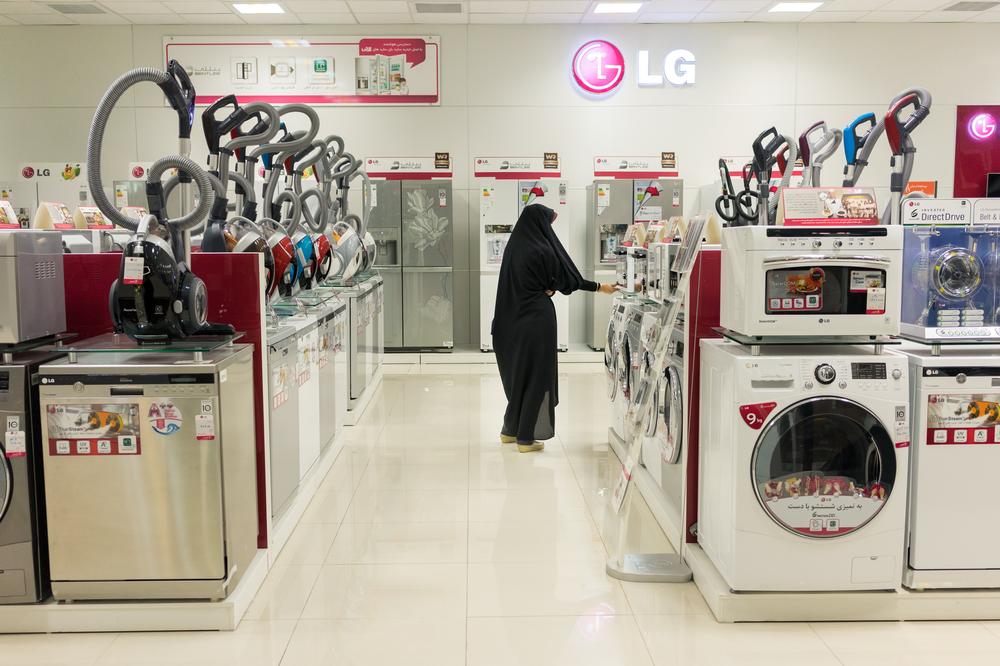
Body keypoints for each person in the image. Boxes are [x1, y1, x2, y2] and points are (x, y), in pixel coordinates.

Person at [491, 203, 616, 453]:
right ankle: (525, 438)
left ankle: (510, 429)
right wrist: (599, 287)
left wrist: (546, 286)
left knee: (519, 376)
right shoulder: (542, 249)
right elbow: (568, 280)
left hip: (508, 322)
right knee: (537, 377)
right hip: (536, 322)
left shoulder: (513, 248)